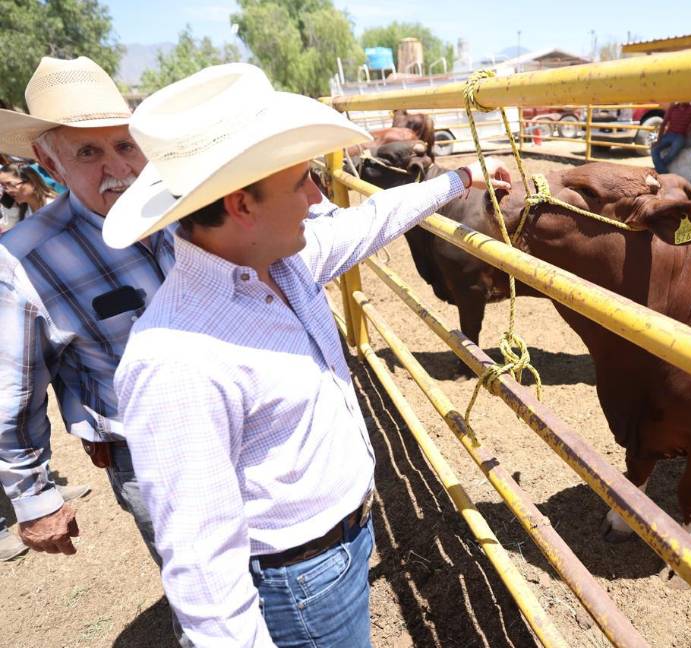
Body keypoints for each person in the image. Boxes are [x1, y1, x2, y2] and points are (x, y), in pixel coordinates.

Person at [106, 63, 511, 647]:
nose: (319, 195)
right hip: (297, 576)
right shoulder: (174, 359)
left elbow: (371, 220)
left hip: (338, 543)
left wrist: (458, 181)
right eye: (301, 181)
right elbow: (203, 567)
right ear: (243, 204)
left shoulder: (282, 263)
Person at [0, 56, 187, 644]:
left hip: (243, 423)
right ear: (47, 161)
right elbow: (15, 389)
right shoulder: (23, 260)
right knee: (200, 589)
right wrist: (34, 499)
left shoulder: (184, 206)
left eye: (125, 146)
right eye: (88, 153)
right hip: (151, 449)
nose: (119, 169)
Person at [650, 102, 691, 174]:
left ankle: (659, 169)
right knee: (654, 149)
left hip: (680, 136)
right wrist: (658, 140)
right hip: (669, 134)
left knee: (673, 152)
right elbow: (663, 124)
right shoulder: (673, 108)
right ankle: (663, 171)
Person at [0, 162, 58, 229]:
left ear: (32, 182)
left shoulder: (53, 205)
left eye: (11, 184)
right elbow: (8, 227)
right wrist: (9, 204)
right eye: (4, 187)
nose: (8, 191)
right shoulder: (24, 209)